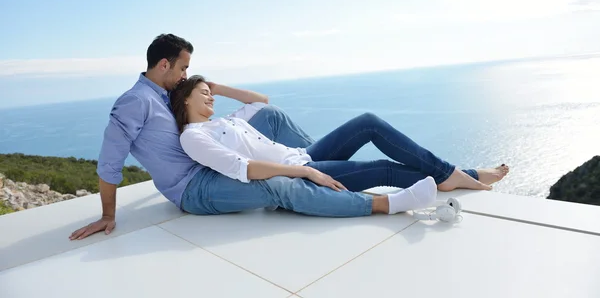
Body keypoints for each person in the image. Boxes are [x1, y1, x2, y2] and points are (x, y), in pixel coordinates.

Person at [69, 33, 325, 241]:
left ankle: (319, 165)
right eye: (183, 68)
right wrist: (107, 215)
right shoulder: (135, 101)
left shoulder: (168, 94)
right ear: (163, 65)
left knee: (270, 114)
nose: (185, 75)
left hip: (211, 156)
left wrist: (215, 89)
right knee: (277, 185)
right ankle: (325, 176)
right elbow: (110, 161)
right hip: (195, 184)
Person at [168, 74, 509, 218]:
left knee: (368, 122)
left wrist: (218, 87)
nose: (211, 97)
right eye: (203, 94)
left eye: (210, 93)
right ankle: (459, 175)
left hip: (304, 157)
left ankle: (451, 173)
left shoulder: (223, 120)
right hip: (300, 172)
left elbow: (262, 102)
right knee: (381, 169)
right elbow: (245, 169)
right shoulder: (193, 136)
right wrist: (303, 172)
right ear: (185, 101)